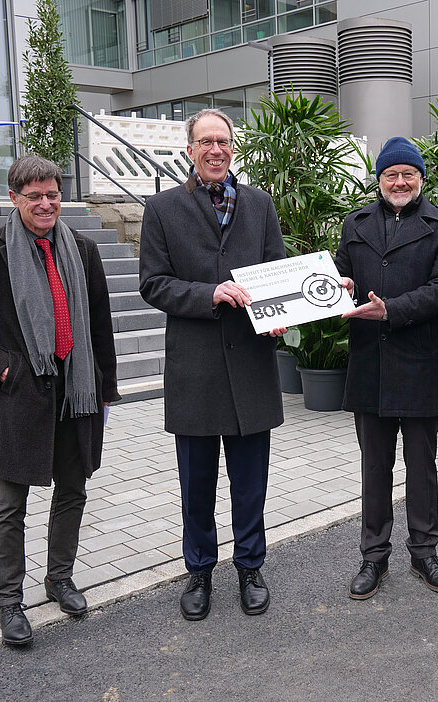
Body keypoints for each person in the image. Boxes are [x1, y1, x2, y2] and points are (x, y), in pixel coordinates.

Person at [0, 154, 120, 645]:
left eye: (53, 194)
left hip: (76, 390)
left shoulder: (82, 249)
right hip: (21, 394)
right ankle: (10, 601)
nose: (46, 204)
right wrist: (2, 369)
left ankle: (59, 577)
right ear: (15, 198)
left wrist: (105, 388)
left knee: (73, 489)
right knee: (10, 502)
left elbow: (99, 325)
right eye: (35, 196)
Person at [139, 108, 286, 622]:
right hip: (196, 371)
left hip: (250, 364)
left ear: (233, 147)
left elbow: (275, 272)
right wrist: (210, 293)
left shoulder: (260, 205)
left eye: (223, 141)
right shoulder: (161, 210)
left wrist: (280, 313)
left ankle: (250, 567)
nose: (216, 150)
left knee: (251, 484)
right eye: (205, 142)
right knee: (196, 485)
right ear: (190, 150)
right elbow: (152, 284)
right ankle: (199, 571)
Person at [335, 137, 438, 600]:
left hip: (420, 363)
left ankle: (424, 551)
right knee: (374, 466)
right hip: (370, 363)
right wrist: (340, 285)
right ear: (379, 179)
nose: (400, 181)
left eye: (408, 173)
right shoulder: (355, 223)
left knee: (422, 465)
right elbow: (337, 280)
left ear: (421, 178)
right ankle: (374, 556)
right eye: (391, 174)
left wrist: (389, 309)